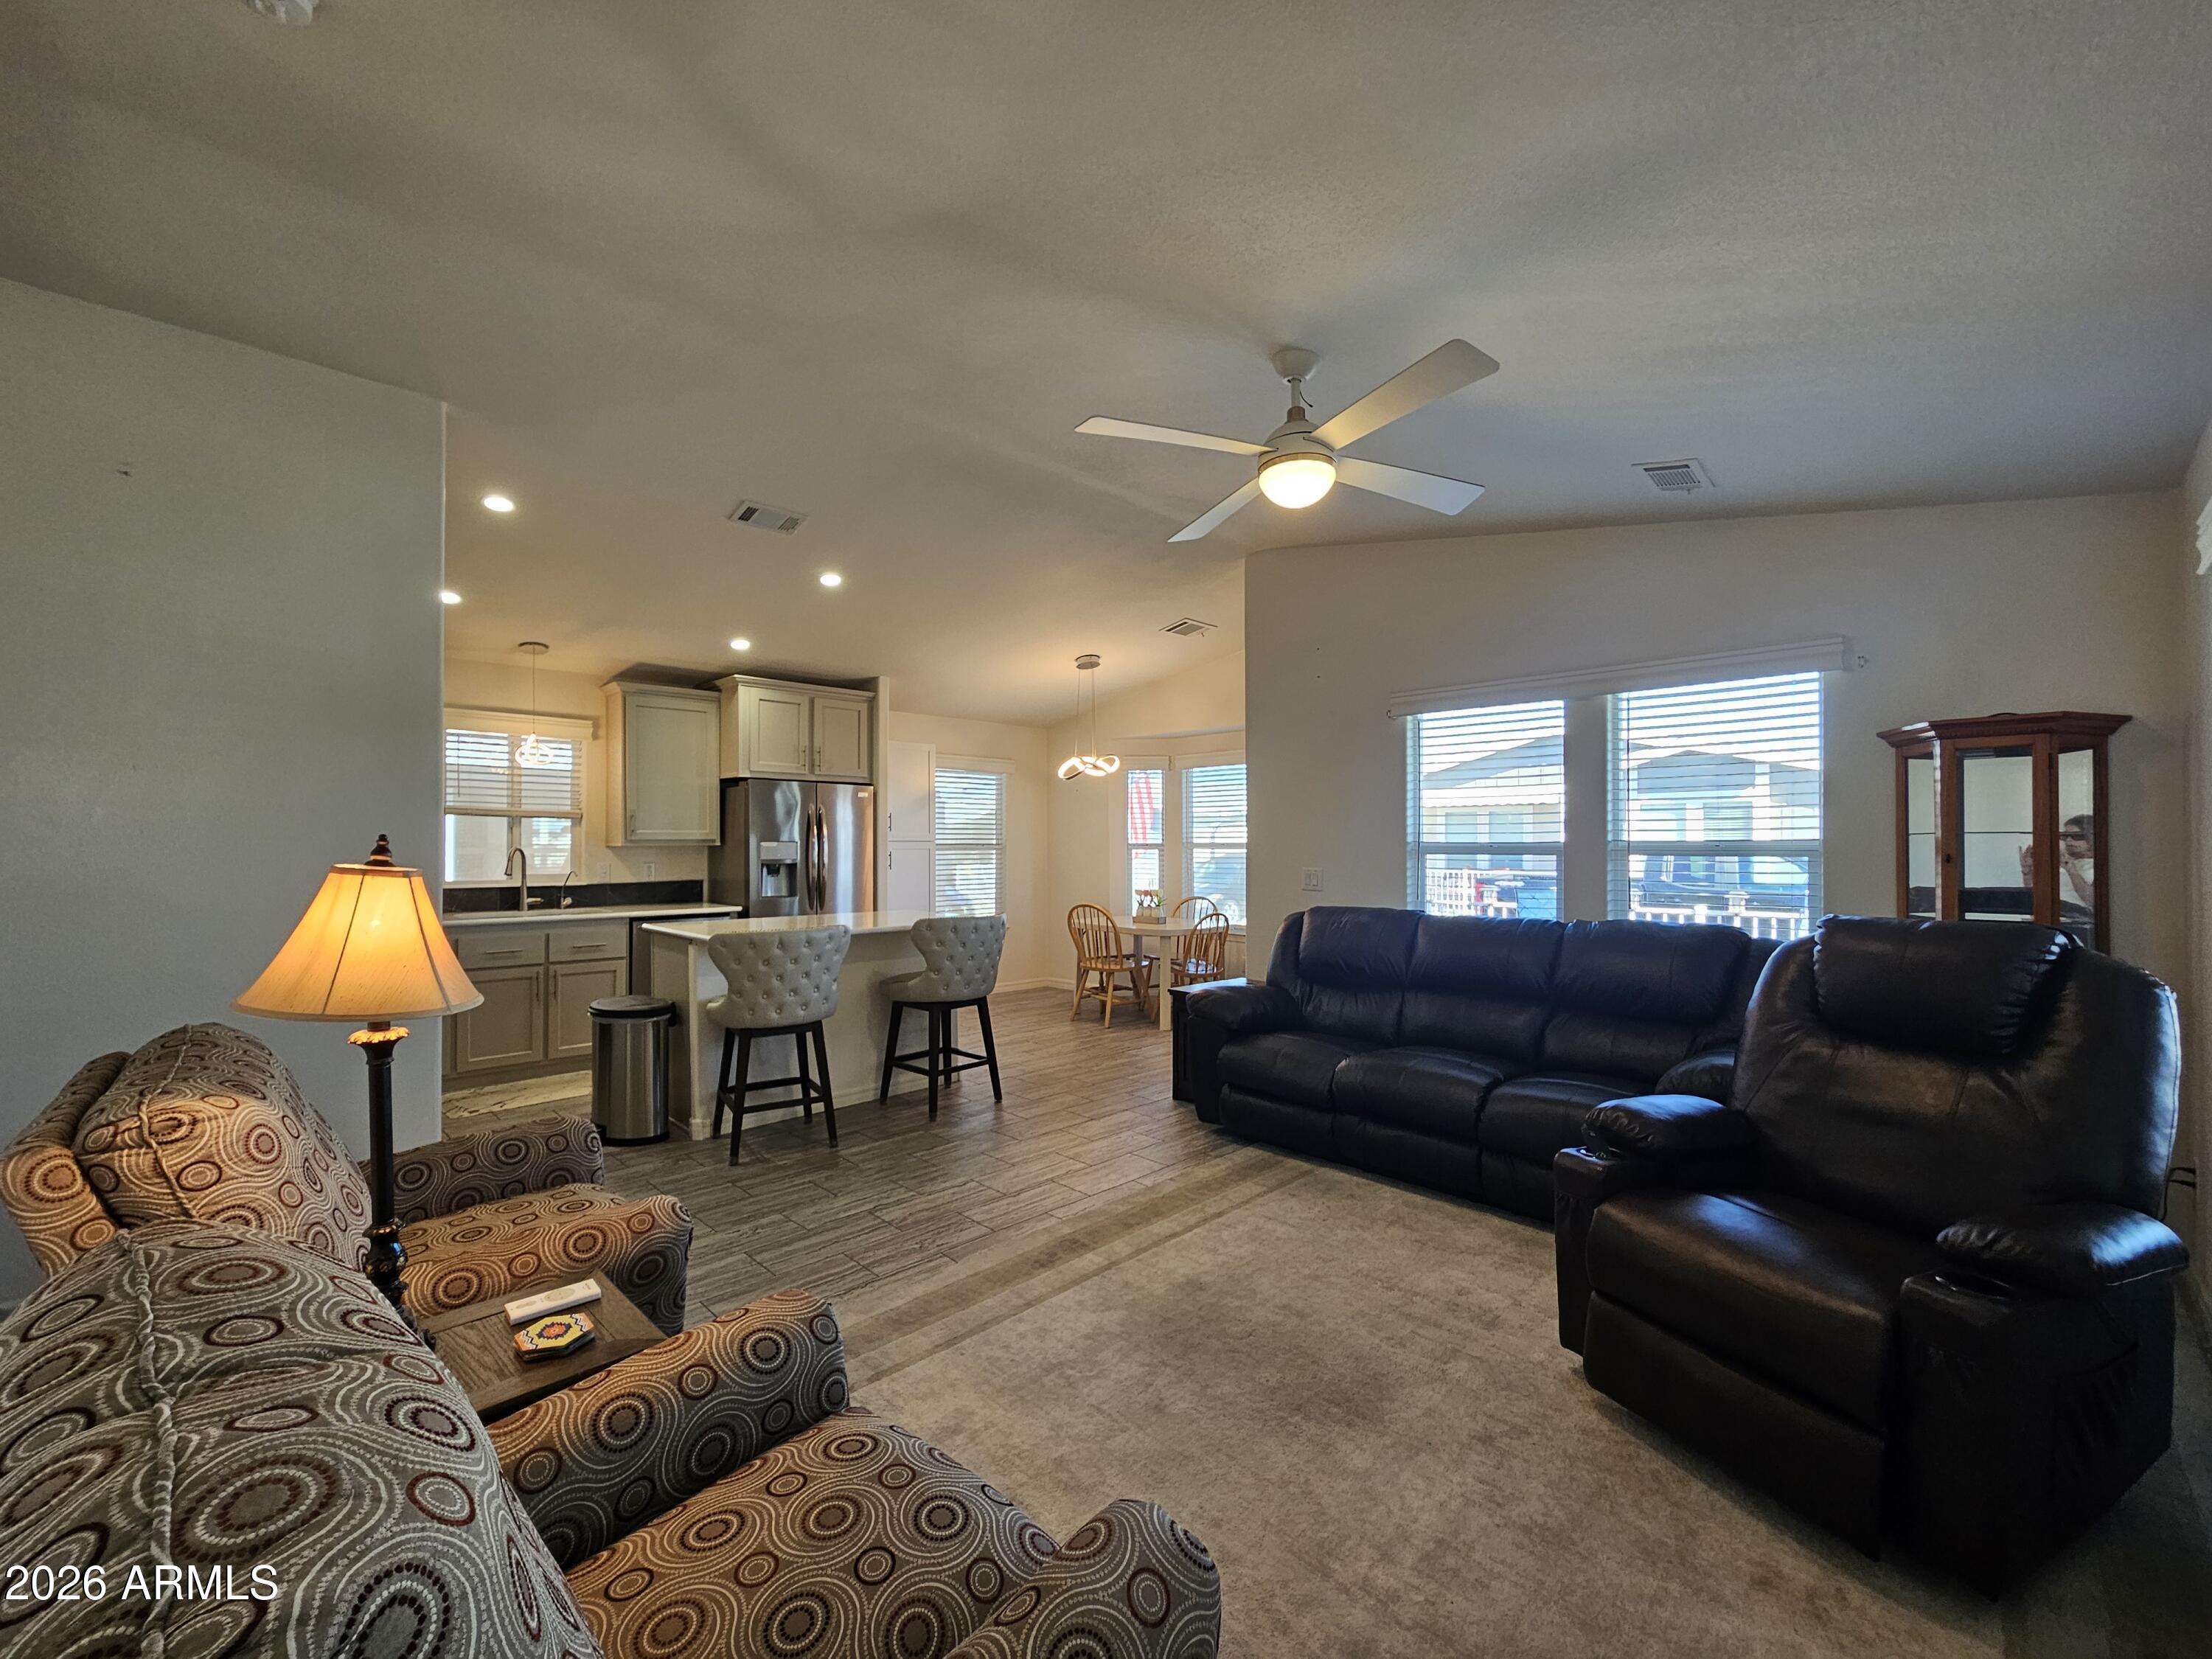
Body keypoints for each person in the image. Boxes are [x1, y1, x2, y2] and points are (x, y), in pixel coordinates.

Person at [2020, 813, 2095, 923]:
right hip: (2046, 920)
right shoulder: (2059, 862)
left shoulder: (2100, 865)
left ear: (2091, 838)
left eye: (2076, 836)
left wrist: (2071, 870)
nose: (2069, 841)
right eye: (2065, 836)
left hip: (2076, 922)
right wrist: (2027, 871)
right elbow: (2034, 893)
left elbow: (2091, 900)